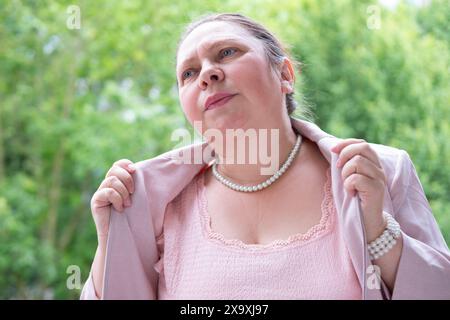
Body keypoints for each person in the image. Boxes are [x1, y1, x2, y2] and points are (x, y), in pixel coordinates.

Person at [81, 13, 450, 300]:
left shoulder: (379, 174)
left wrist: (380, 235)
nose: (207, 74)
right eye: (189, 73)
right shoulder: (150, 205)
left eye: (227, 52)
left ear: (285, 74)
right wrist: (111, 242)